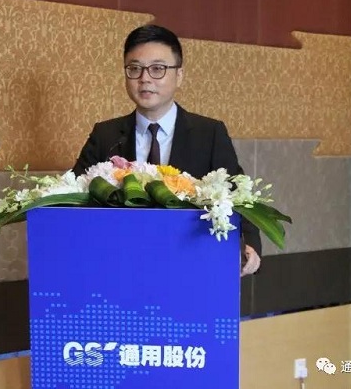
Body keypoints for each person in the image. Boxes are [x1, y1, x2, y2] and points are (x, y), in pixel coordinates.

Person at [73, 24, 261, 275]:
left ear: (179, 75)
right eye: (134, 68)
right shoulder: (105, 135)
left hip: (190, 266)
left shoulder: (209, 133)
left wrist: (249, 245)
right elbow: (72, 195)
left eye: (157, 69)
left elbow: (236, 194)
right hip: (121, 266)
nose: (145, 78)